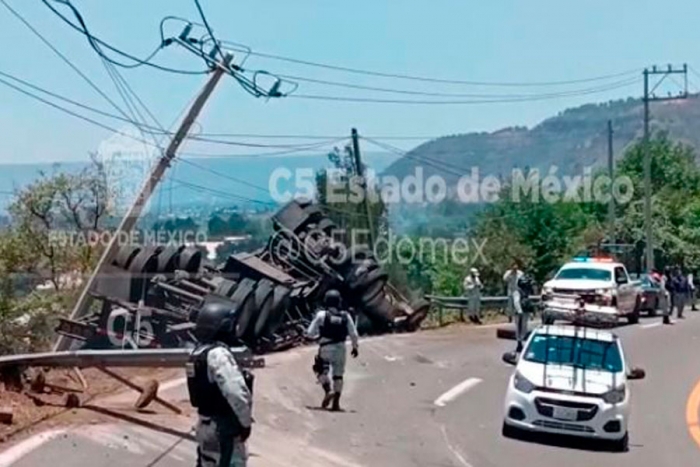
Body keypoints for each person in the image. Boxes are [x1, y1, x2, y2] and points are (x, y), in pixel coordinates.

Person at [187, 302, 254, 467]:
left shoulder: (197, 353)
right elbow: (235, 392)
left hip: (205, 424)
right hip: (222, 429)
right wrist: (246, 423)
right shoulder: (219, 354)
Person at [306, 289, 359, 411]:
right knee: (338, 375)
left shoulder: (321, 315)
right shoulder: (346, 316)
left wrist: (313, 337)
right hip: (341, 349)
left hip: (326, 347)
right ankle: (336, 403)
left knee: (319, 370)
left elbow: (309, 333)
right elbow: (354, 334)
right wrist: (355, 348)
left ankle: (328, 390)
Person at [514, 273, 535, 353]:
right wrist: (519, 311)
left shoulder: (526, 293)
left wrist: (531, 312)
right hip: (519, 313)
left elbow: (528, 303)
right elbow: (516, 302)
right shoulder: (517, 291)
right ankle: (519, 343)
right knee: (519, 328)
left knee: (524, 328)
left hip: (525, 312)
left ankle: (522, 342)